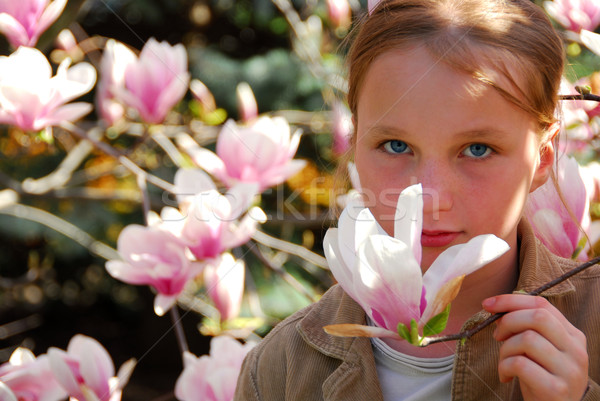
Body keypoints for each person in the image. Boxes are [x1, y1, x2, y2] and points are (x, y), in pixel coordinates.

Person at [234, 0, 600, 400]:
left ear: (543, 157)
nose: (428, 198)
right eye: (395, 145)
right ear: (355, 143)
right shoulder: (281, 369)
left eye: (477, 149)